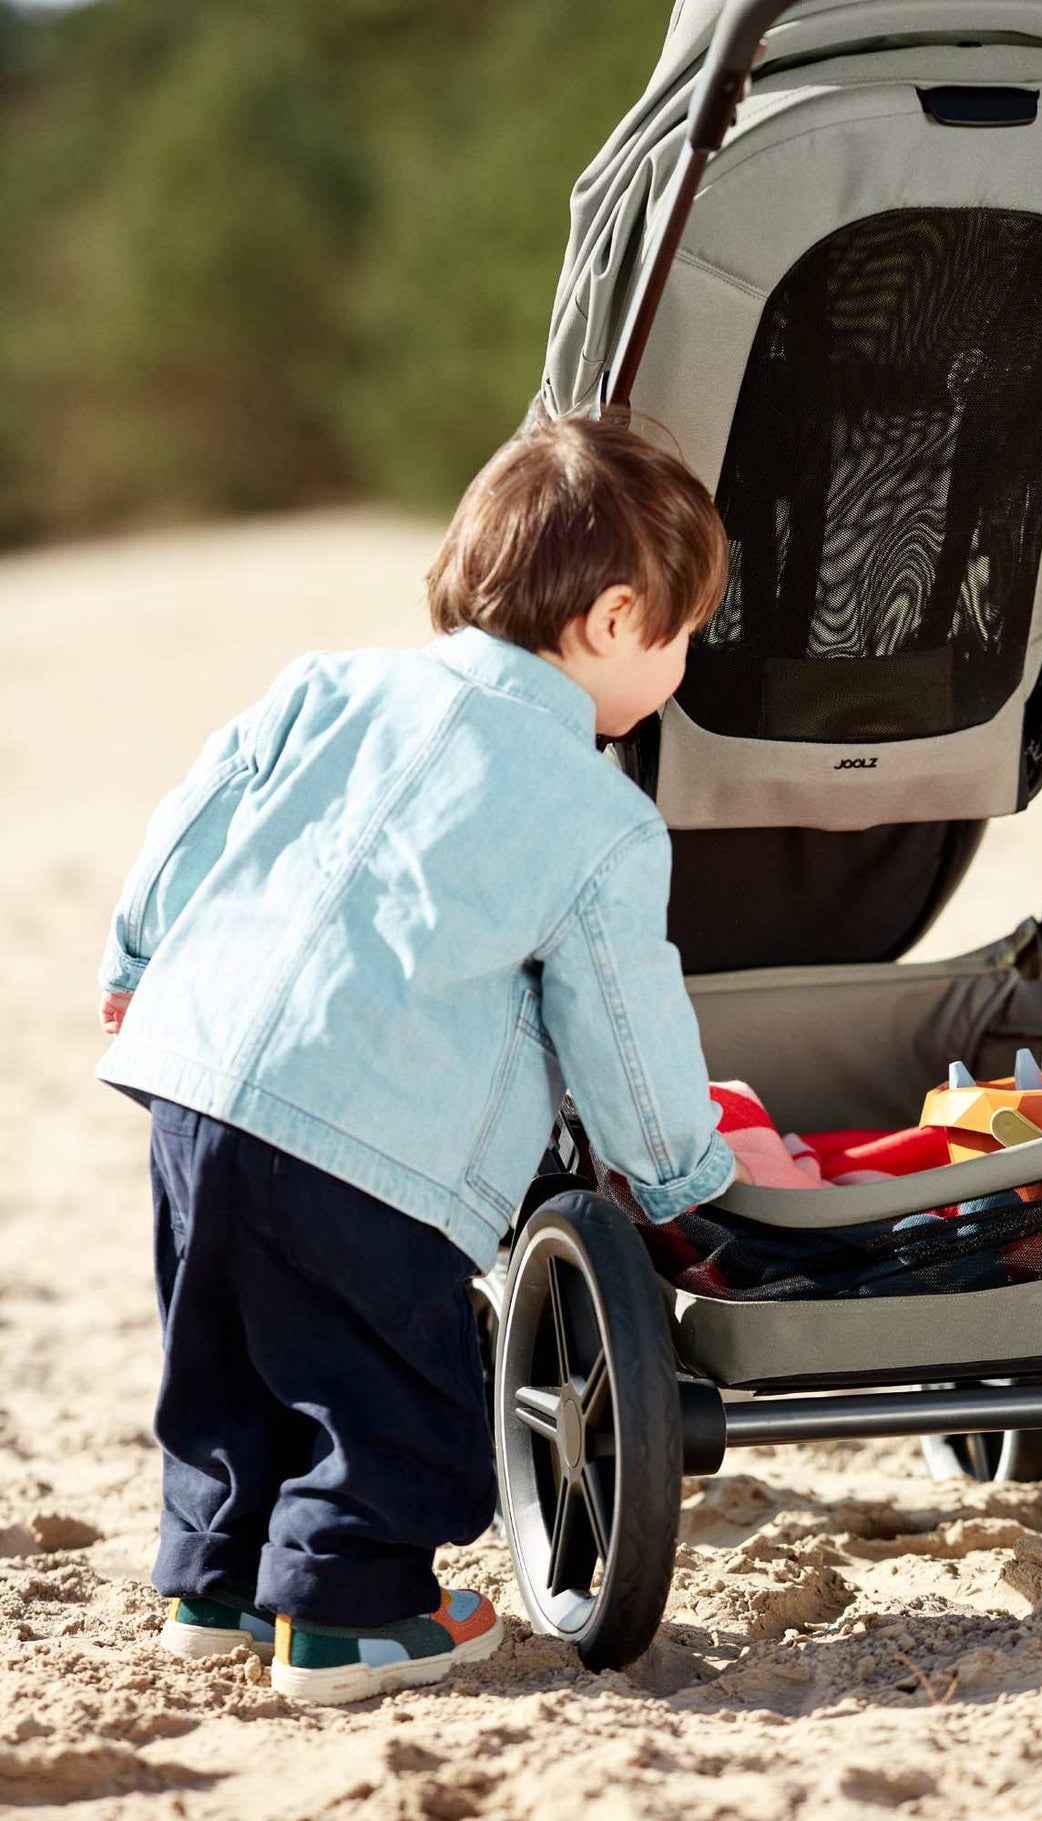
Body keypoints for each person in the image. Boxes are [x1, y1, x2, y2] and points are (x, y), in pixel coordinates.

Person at [96, 409, 751, 1706]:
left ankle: (216, 1579)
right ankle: (347, 1613)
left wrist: (132, 964)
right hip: (367, 1135)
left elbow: (193, 821)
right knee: (384, 1376)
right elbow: (624, 1025)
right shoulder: (601, 819)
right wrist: (682, 1179)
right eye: (682, 635)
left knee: (222, 1337)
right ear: (616, 620)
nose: (678, 662)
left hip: (197, 1076)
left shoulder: (322, 685)